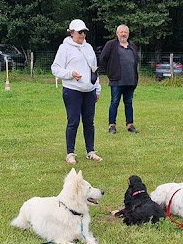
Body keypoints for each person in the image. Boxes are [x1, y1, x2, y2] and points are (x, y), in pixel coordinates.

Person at [51, 19, 102, 164]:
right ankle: (70, 153)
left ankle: (91, 151)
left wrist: (97, 88)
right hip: (72, 90)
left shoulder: (89, 47)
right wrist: (70, 74)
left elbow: (94, 70)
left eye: (84, 32)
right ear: (72, 33)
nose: (82, 35)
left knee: (89, 122)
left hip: (89, 90)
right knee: (73, 122)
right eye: (80, 32)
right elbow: (55, 69)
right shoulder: (64, 48)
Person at [100, 24, 139, 135]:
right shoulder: (111, 45)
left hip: (130, 81)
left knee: (129, 103)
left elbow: (136, 61)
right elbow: (103, 59)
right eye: (121, 32)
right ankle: (112, 125)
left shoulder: (132, 46)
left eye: (125, 32)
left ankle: (130, 125)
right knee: (114, 102)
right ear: (117, 33)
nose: (123, 34)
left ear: (128, 34)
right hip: (116, 81)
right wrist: (110, 72)